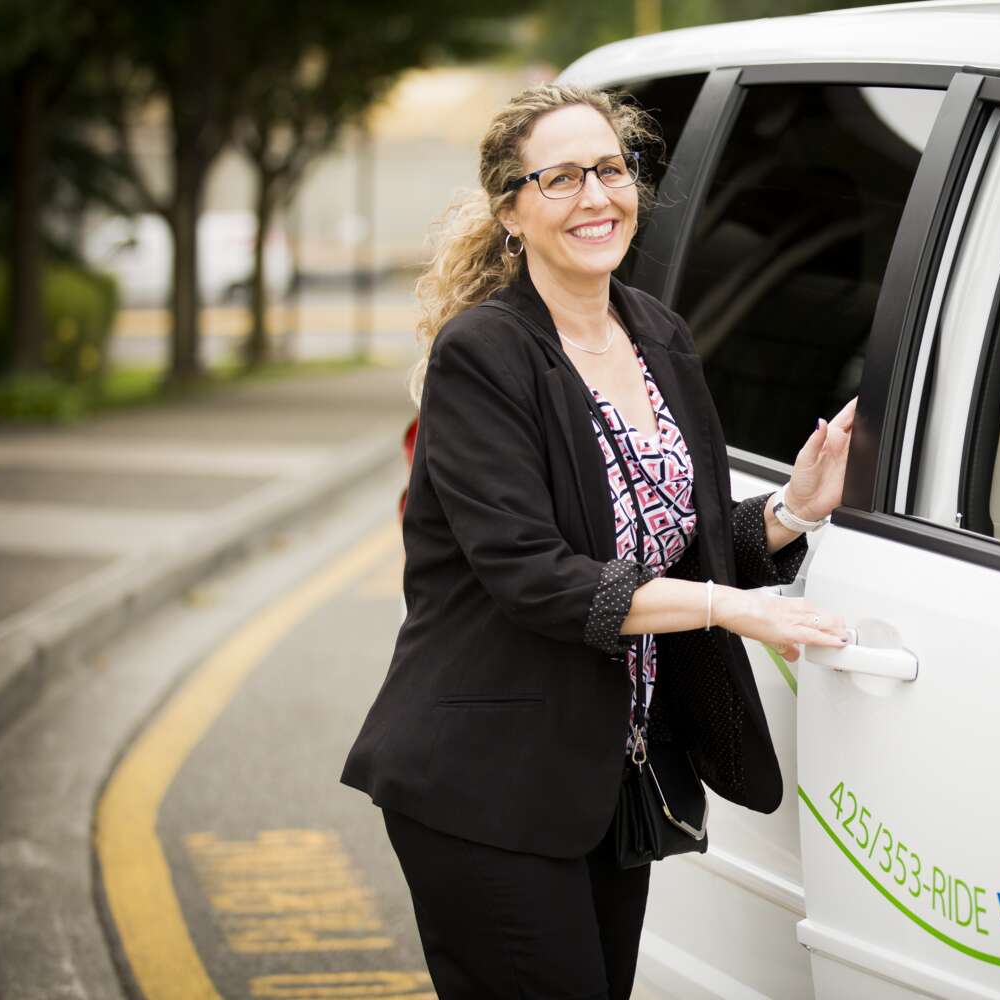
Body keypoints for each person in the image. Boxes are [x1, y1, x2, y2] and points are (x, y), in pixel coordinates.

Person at [340, 83, 854, 1000]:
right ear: (512, 210)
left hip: (609, 778)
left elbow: (672, 540)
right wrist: (728, 610)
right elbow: (537, 577)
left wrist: (790, 513)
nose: (596, 198)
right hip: (484, 785)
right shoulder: (483, 356)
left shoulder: (658, 334)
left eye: (611, 170)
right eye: (561, 178)